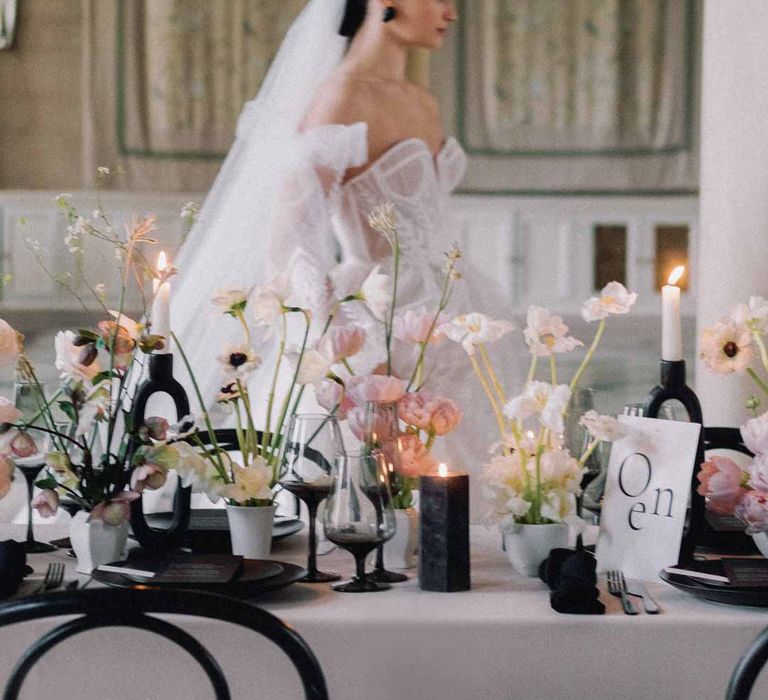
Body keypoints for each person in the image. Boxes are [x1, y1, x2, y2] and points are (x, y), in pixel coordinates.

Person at [172, 0, 522, 515]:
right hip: (383, 309)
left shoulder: (421, 100)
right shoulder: (341, 96)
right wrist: (327, 332)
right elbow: (289, 237)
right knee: (374, 481)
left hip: (451, 302)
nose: (451, 10)